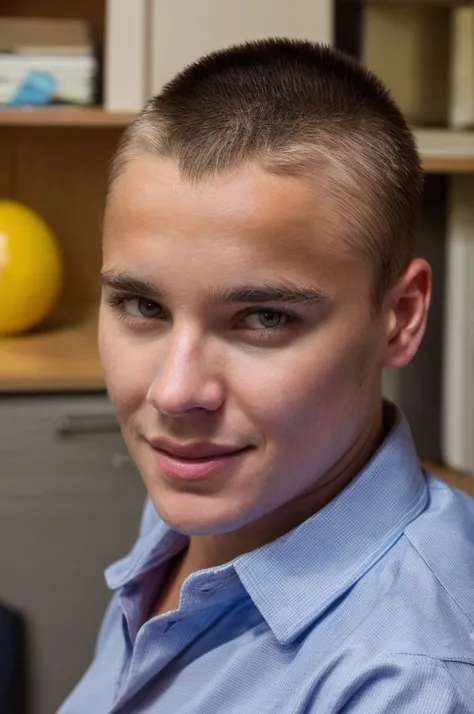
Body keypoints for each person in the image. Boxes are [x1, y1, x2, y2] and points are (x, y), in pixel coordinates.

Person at [58, 39, 474, 713]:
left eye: (264, 319)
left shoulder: (408, 685)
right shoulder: (222, 492)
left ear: (399, 317)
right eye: (143, 306)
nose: (175, 392)